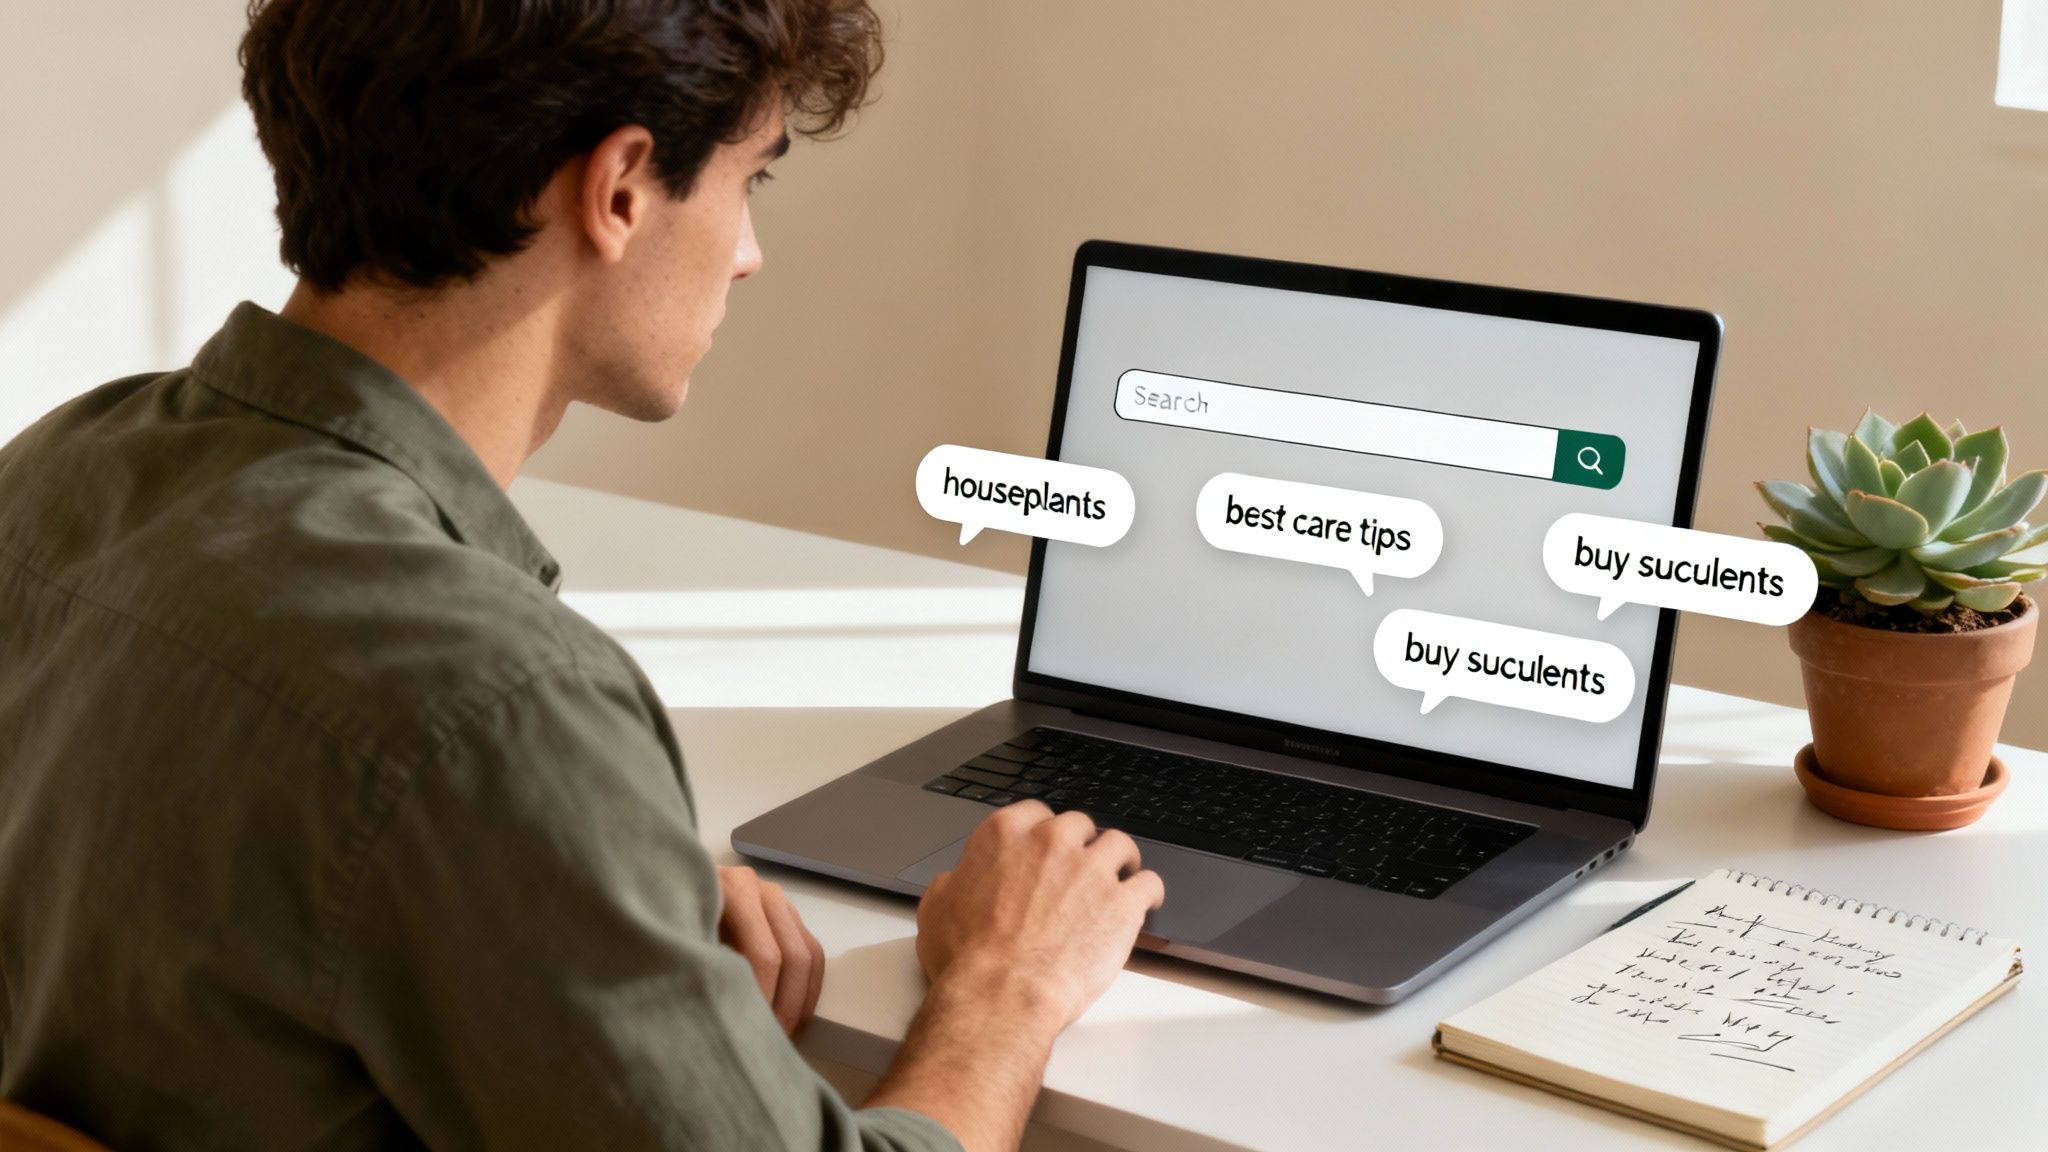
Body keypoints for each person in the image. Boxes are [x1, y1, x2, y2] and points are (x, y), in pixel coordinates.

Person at [0, 2, 1164, 1149]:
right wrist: (1003, 990)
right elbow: (446, 748)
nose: (748, 255)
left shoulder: (53, 477)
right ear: (619, 189)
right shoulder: (494, 704)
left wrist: (578, 882)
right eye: (751, 178)